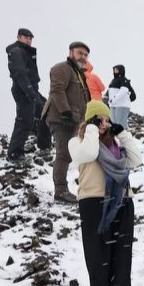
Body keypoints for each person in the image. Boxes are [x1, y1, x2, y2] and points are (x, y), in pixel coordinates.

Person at [68, 100, 142, 286]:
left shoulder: (116, 144)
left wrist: (123, 134)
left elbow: (136, 160)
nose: (104, 123)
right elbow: (89, 153)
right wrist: (91, 129)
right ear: (89, 121)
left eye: (107, 119)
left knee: (121, 250)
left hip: (121, 200)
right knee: (97, 251)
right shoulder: (77, 143)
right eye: (99, 119)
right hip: (93, 201)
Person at [42, 41, 91, 203]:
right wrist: (66, 113)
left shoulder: (78, 73)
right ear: (71, 52)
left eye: (85, 55)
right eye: (80, 53)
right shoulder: (61, 68)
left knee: (70, 154)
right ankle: (60, 191)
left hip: (73, 120)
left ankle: (74, 187)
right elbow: (57, 90)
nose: (83, 57)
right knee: (63, 154)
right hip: (60, 118)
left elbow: (82, 99)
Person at [6, 28, 41, 161]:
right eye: (26, 37)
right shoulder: (17, 51)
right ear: (18, 37)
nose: (29, 40)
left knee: (42, 111)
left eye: (30, 38)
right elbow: (20, 73)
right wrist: (30, 91)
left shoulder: (24, 51)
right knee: (24, 121)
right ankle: (15, 153)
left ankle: (43, 144)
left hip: (29, 88)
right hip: (23, 89)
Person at [107, 65, 137, 129]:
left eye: (117, 70)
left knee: (120, 124)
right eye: (114, 70)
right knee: (113, 124)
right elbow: (110, 91)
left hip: (122, 105)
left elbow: (123, 90)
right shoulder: (113, 80)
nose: (115, 71)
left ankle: (125, 138)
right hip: (113, 105)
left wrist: (114, 99)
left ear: (121, 70)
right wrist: (108, 99)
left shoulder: (124, 79)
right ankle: (117, 138)